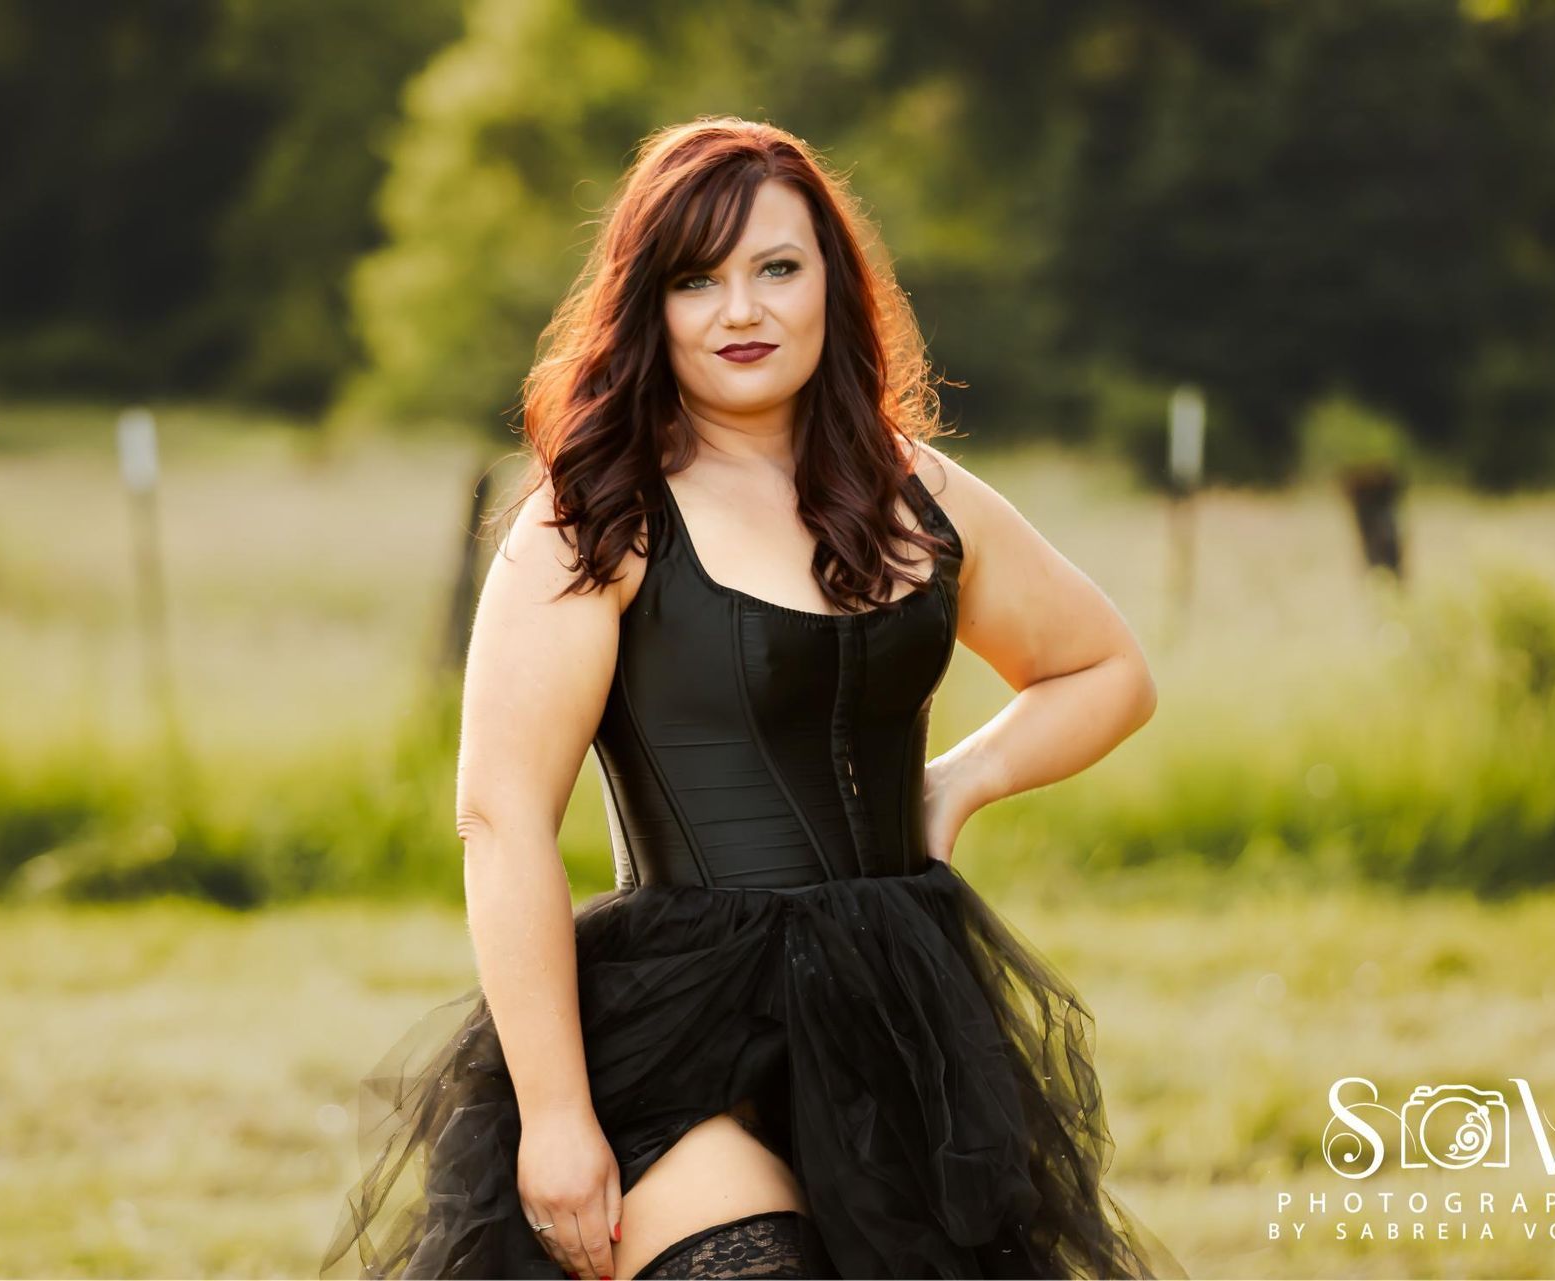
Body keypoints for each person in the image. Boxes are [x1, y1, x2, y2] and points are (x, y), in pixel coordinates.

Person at [320, 116, 1185, 1280]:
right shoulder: (598, 515)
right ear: (651, 306)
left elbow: (1106, 672)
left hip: (901, 1014)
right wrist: (561, 1117)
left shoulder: (917, 494)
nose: (742, 311)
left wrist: (958, 783)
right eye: (697, 280)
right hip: (683, 1028)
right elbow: (501, 819)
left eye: (777, 268)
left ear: (833, 280)